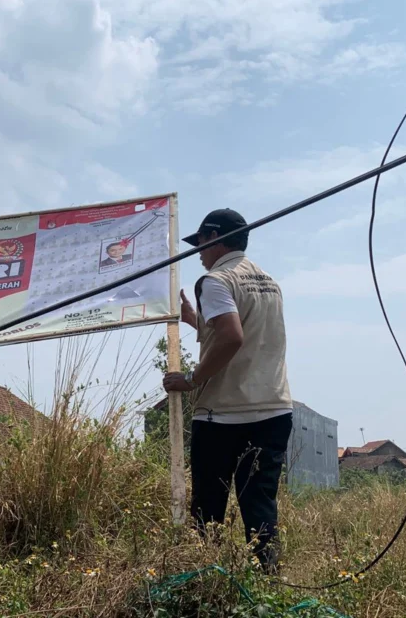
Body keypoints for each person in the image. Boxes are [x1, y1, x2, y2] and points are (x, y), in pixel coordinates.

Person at [162, 208, 292, 573]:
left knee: (208, 509)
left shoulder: (216, 281)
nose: (199, 254)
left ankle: (205, 581)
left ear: (213, 238)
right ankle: (269, 584)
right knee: (259, 505)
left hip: (224, 414)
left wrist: (191, 380)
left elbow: (233, 337)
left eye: (200, 244)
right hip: (274, 410)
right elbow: (245, 334)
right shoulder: (268, 281)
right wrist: (196, 322)